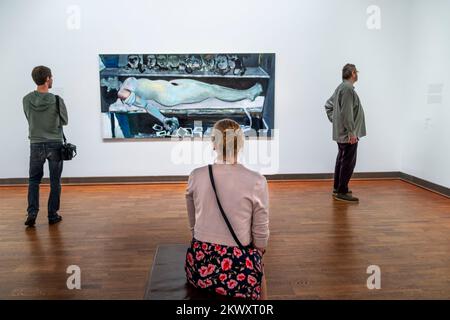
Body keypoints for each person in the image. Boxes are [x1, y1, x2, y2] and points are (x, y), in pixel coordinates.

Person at [184, 119, 269, 299]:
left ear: (214, 144)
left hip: (200, 264)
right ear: (241, 144)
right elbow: (260, 233)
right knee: (260, 270)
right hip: (237, 268)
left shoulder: (196, 175)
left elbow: (193, 223)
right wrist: (258, 251)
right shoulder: (256, 181)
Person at [118, 77, 263, 133]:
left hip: (171, 88)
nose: (109, 80)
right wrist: (163, 119)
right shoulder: (126, 88)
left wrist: (163, 119)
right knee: (211, 89)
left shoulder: (128, 83)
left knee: (210, 87)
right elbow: (144, 105)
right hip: (170, 95)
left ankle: (246, 93)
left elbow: (146, 105)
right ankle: (248, 94)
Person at [23, 66, 68, 227]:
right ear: (48, 79)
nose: (52, 79)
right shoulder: (57, 100)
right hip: (55, 143)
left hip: (35, 144)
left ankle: (32, 213)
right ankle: (52, 214)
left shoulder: (26, 99)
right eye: (51, 77)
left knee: (33, 180)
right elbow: (65, 121)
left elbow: (29, 118)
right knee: (55, 181)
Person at [324, 63, 366, 203]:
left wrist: (336, 122)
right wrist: (352, 133)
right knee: (348, 162)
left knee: (342, 160)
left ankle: (338, 188)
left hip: (343, 133)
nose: (357, 75)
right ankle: (342, 191)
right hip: (348, 135)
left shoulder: (341, 87)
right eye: (356, 72)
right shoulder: (347, 89)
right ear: (353, 73)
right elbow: (347, 113)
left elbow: (328, 105)